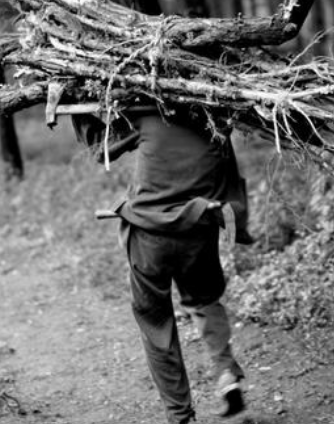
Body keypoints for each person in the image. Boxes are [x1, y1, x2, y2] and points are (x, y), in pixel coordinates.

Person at [72, 105, 251, 424]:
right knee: (206, 300)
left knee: (156, 322)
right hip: (199, 228)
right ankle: (226, 374)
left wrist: (76, 111)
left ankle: (180, 416)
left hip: (149, 236)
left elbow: (102, 148)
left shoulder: (146, 114)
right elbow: (227, 175)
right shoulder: (217, 119)